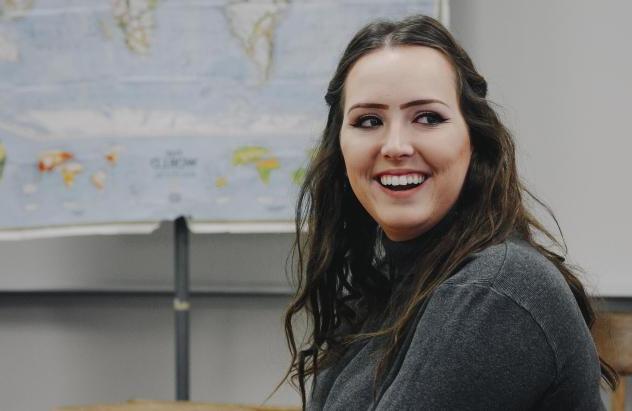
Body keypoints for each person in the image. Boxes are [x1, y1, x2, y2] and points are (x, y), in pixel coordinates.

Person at [276, 15, 618, 410]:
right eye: (369, 121)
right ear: (340, 148)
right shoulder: (391, 290)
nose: (396, 146)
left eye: (428, 118)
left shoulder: (497, 289)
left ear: (474, 140)